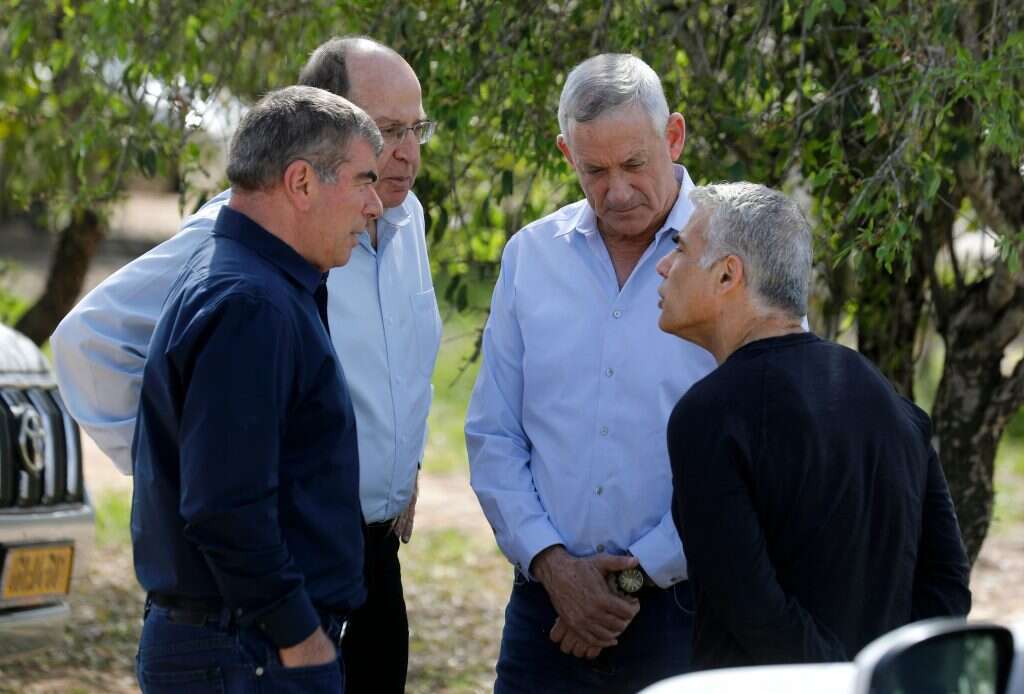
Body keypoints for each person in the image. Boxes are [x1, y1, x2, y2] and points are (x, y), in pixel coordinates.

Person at [50, 37, 439, 692]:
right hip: (261, 600)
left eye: (415, 129)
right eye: (386, 131)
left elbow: (397, 369)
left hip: (361, 564)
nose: (406, 152)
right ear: (316, 137)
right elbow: (89, 342)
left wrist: (401, 471)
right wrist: (178, 467)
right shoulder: (246, 248)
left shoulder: (401, 221)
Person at [465, 53, 717, 693]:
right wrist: (555, 569)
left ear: (674, 136)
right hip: (544, 612)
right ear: (566, 153)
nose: (618, 191)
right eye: (595, 171)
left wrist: (627, 581)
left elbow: (756, 448)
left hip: (688, 615)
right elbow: (494, 434)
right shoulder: (530, 257)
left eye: (634, 163)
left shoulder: (735, 254)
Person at [655, 182, 972, 670]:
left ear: (727, 275)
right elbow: (947, 584)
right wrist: (885, 679)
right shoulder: (885, 398)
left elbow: (751, 610)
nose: (663, 265)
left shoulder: (709, 416)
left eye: (679, 248)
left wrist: (839, 681)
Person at [132, 85, 382, 692]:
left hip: (244, 645)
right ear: (301, 182)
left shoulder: (254, 282)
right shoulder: (251, 304)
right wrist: (299, 635)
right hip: (249, 652)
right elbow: (226, 507)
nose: (375, 205)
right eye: (364, 181)